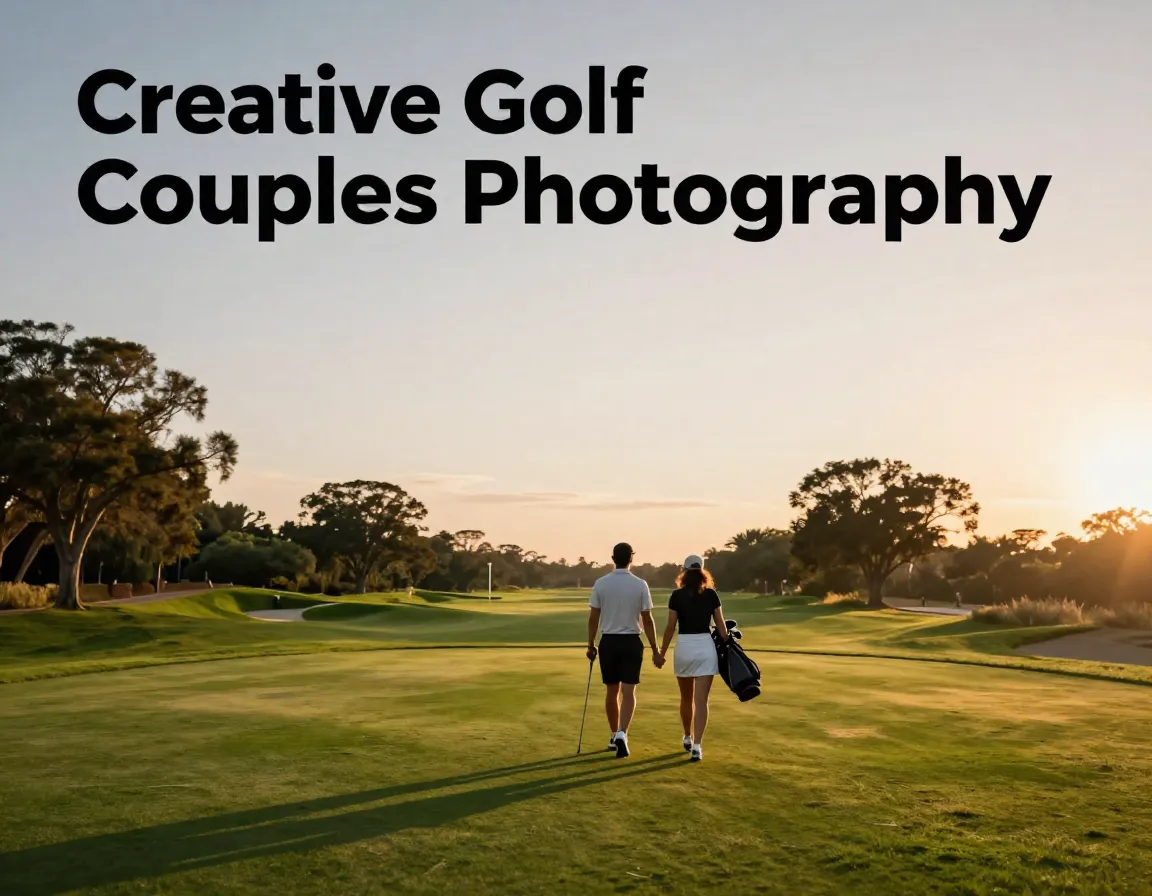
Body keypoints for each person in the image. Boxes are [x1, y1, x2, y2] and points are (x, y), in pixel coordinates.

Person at [586, 542, 663, 758]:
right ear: (631, 558)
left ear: (613, 558)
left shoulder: (601, 583)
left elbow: (594, 618)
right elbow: (647, 620)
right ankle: (622, 733)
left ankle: (614, 735)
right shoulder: (640, 585)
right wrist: (656, 650)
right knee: (629, 692)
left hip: (608, 642)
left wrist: (590, 644)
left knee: (612, 692)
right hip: (631, 642)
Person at [657, 554, 727, 762]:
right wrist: (731, 644)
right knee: (701, 700)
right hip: (705, 648)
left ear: (684, 571)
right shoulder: (711, 594)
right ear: (702, 571)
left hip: (685, 648)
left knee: (686, 698)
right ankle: (697, 746)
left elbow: (670, 627)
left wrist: (661, 654)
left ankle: (687, 736)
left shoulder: (676, 596)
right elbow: (722, 628)